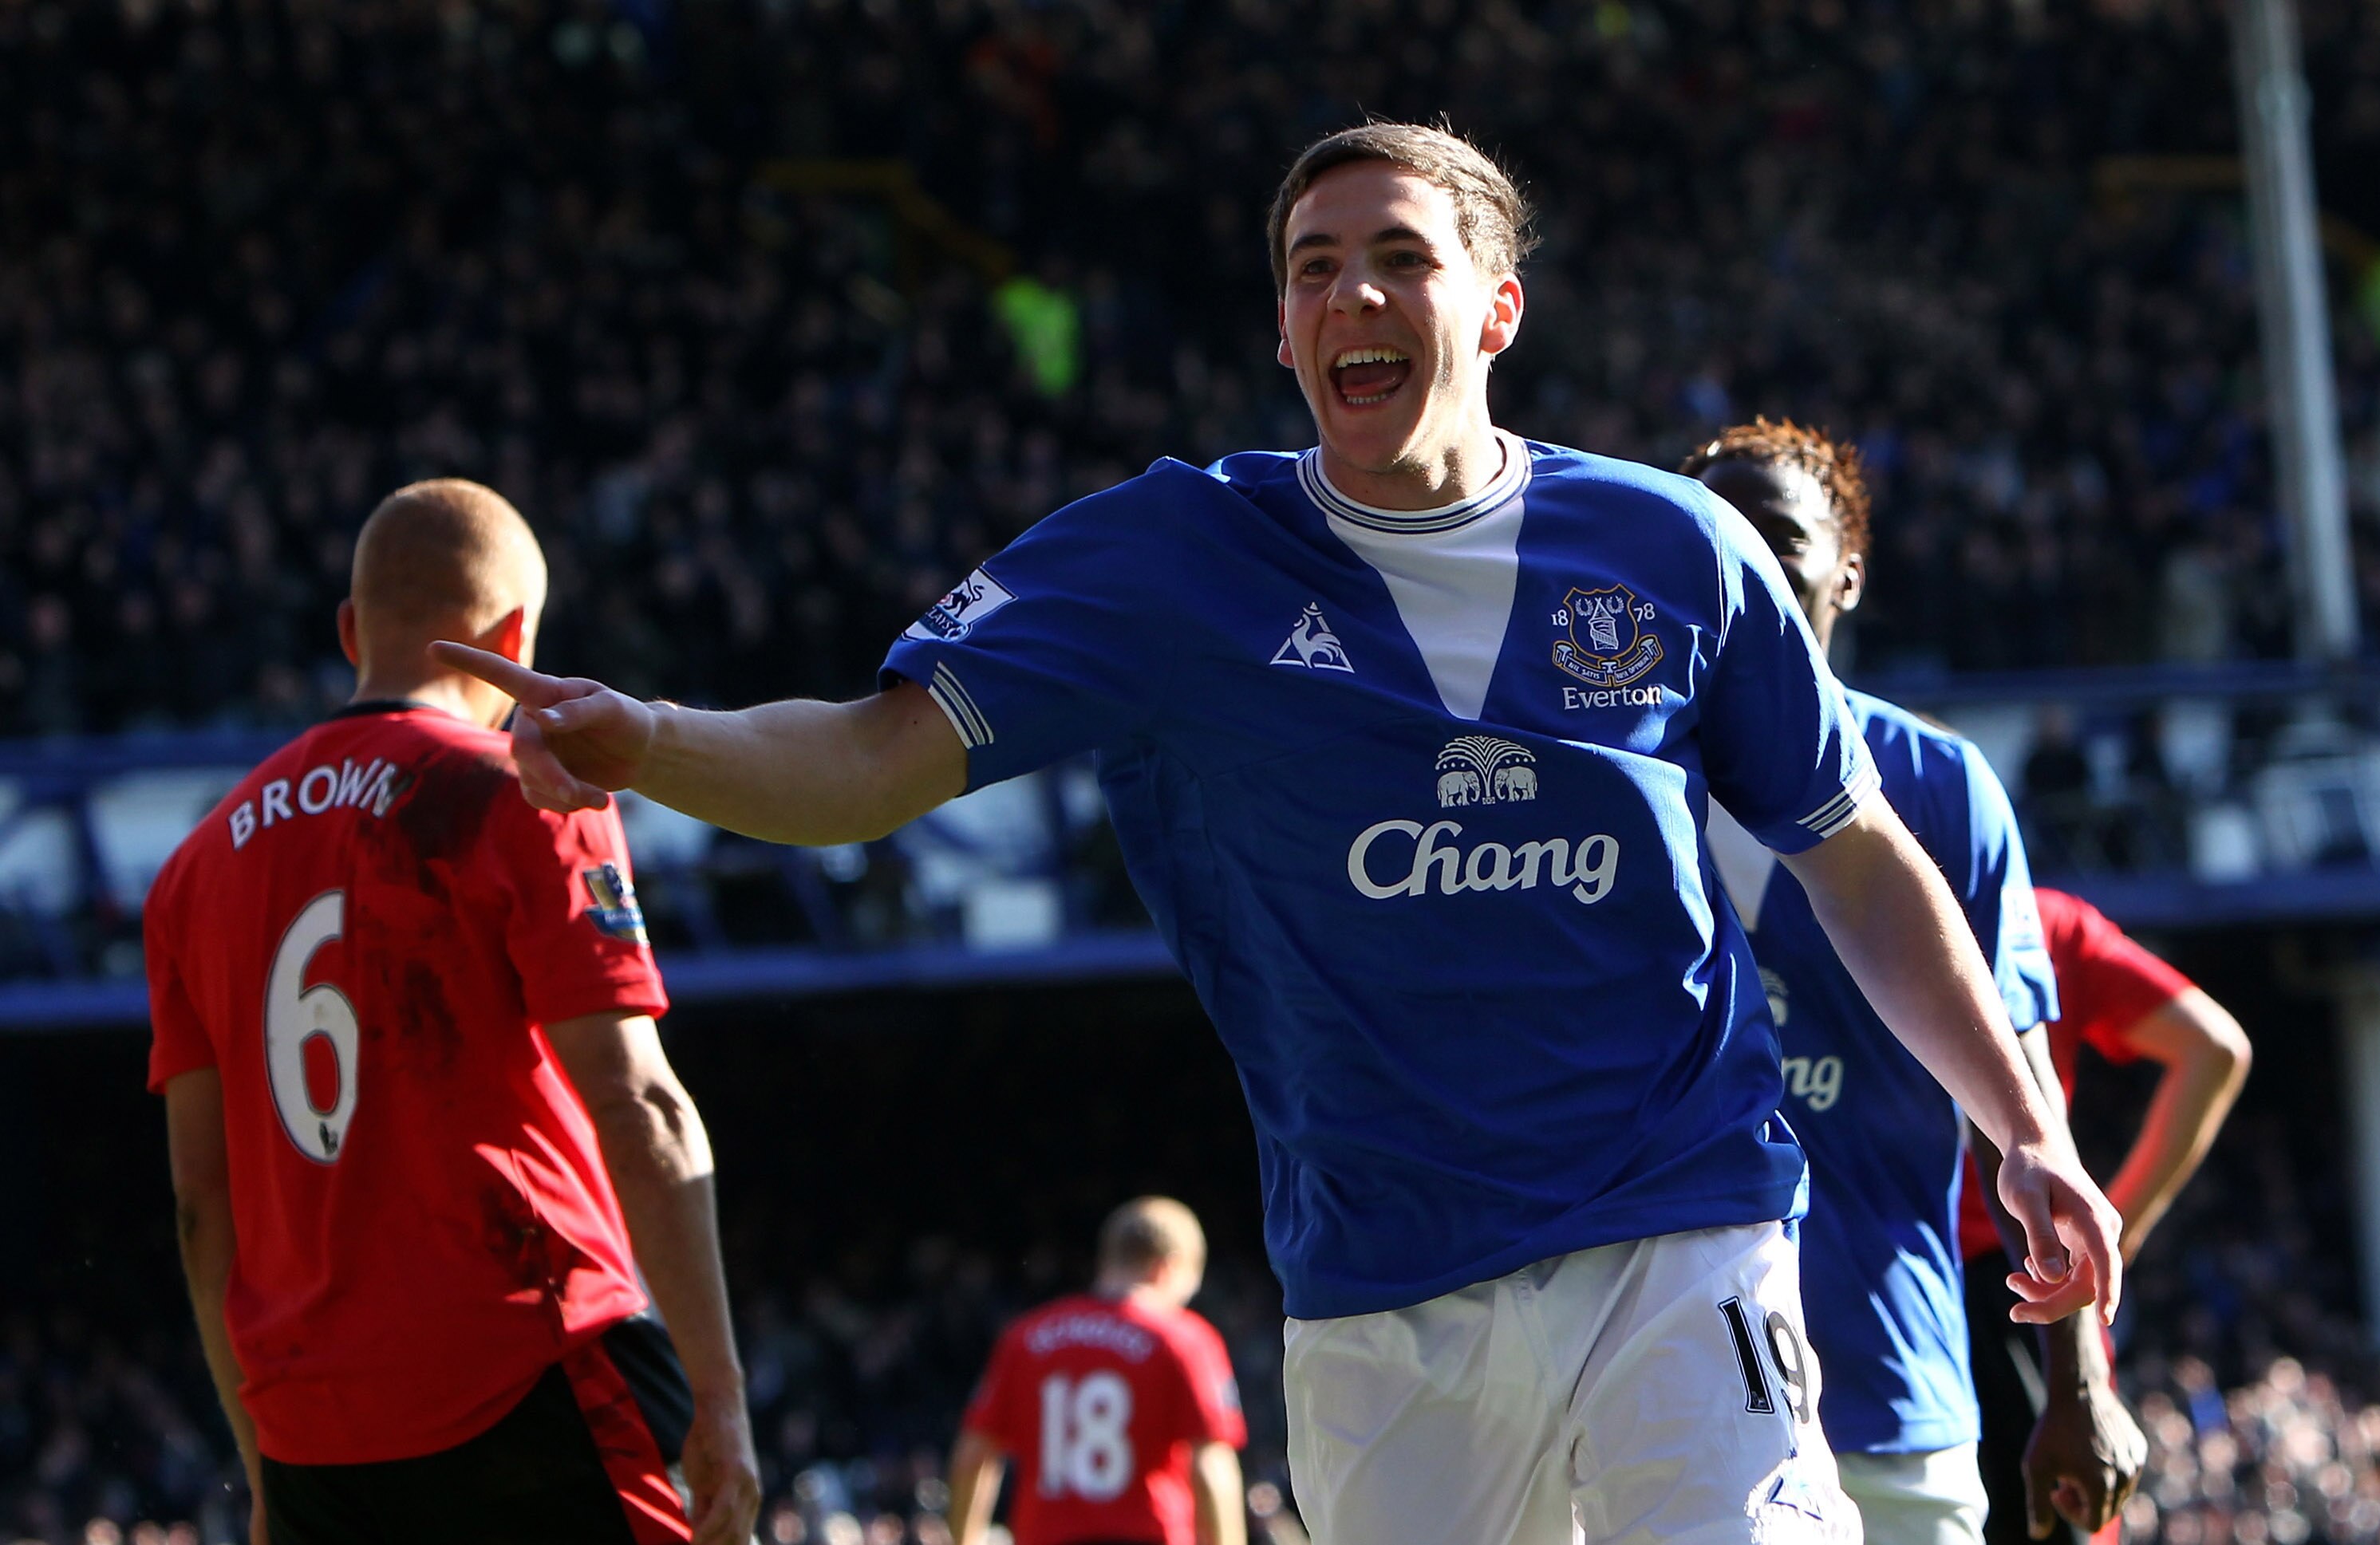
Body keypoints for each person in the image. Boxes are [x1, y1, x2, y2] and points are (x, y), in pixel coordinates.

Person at [442, 123, 2122, 1545]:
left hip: (1682, 1230)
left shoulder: (1674, 550)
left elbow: (1853, 851)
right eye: (1314, 268)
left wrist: (2027, 1120)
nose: (1352, 295)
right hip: (1383, 1283)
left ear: (1498, 306)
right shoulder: (1173, 558)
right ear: (1283, 327)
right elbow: (875, 761)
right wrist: (655, 739)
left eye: (1398, 256)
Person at [145, 479, 761, 1545]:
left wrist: (264, 1463)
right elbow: (640, 1103)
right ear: (516, 635)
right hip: (526, 1368)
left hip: (314, 1432)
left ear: (350, 631)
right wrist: (720, 1392)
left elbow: (204, 1204)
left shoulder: (193, 869)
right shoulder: (525, 791)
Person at [1681, 421, 2143, 1545]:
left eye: (1776, 537)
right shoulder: (1618, 785)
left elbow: (2020, 1108)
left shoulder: (1939, 786)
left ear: (1848, 569)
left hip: (1891, 1387)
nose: (1742, 560)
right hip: (1663, 1401)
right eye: (1712, 534)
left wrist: (2078, 1380)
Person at [1962, 890, 2250, 1545]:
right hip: (2029, 1287)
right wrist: (2124, 1224)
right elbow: (2216, 1047)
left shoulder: (1836, 895)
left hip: (1873, 1280)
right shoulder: (2038, 917)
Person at [946, 1198, 1247, 1545]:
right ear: (1167, 1268)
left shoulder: (1025, 1338)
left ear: (1108, 1260)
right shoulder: (1184, 1339)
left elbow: (972, 1456)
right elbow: (1211, 1468)